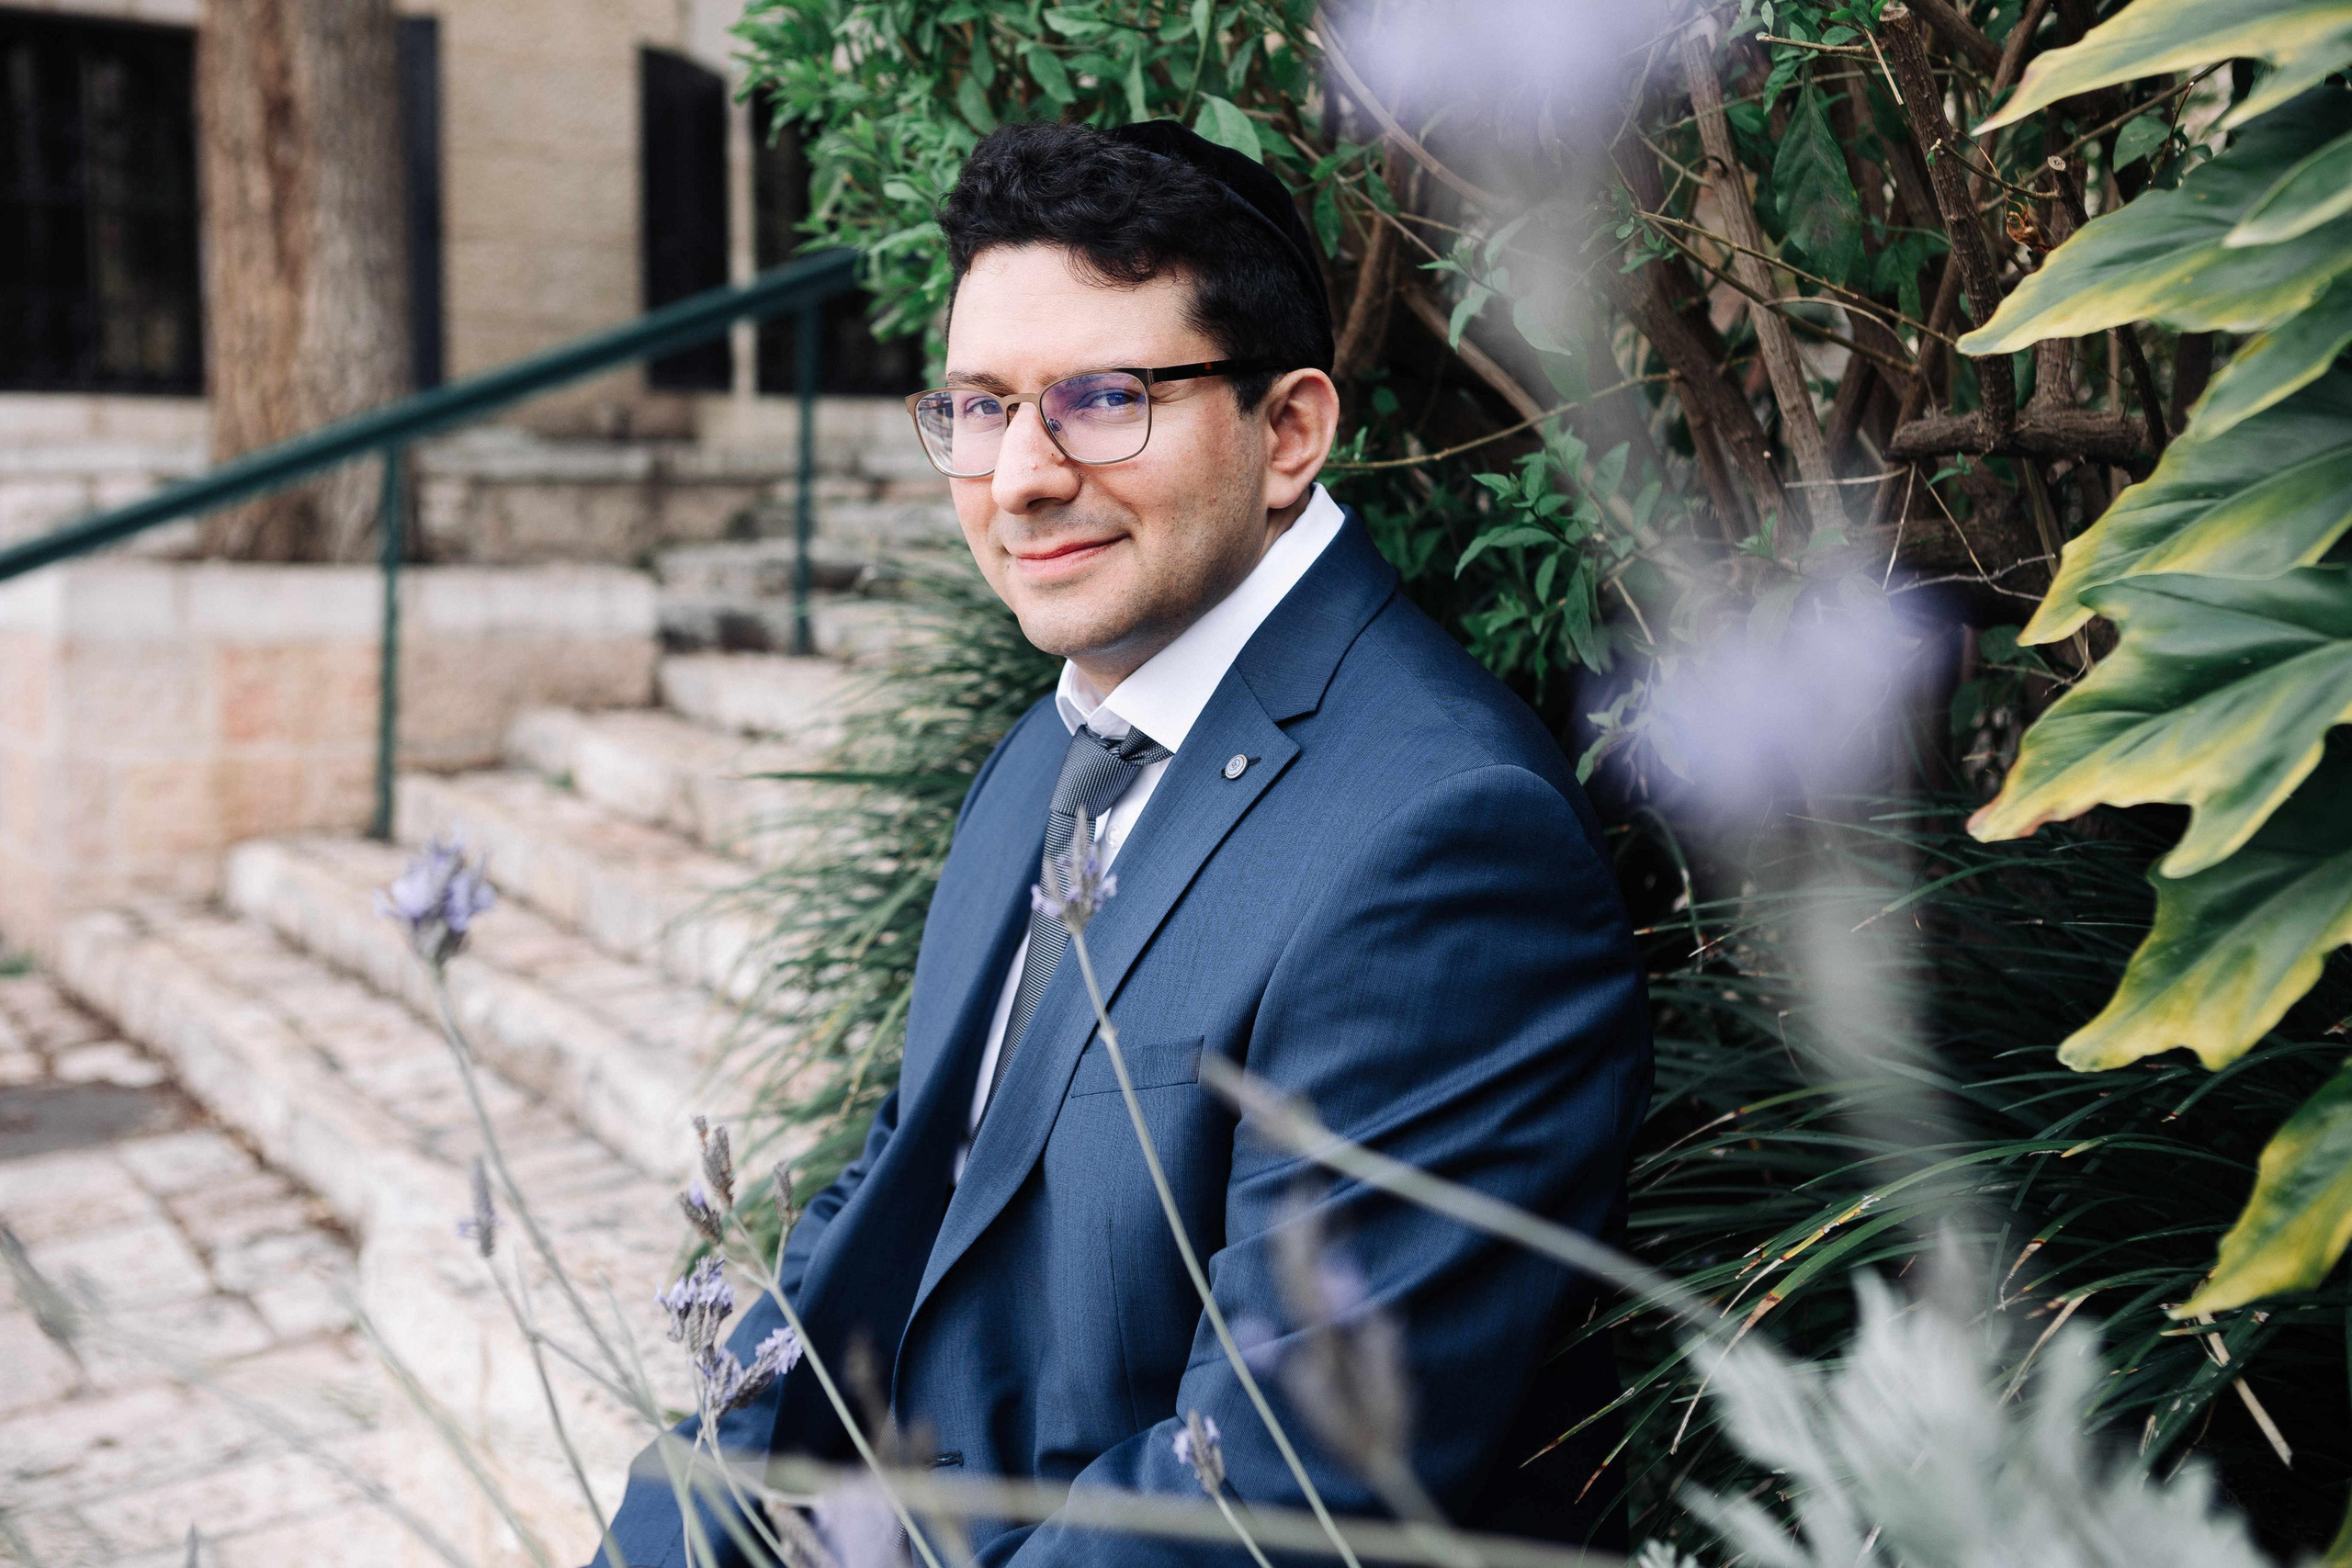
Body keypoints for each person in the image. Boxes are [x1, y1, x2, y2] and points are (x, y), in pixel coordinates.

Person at [594, 118, 1651, 1568]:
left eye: (1101, 400)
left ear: (1287, 433)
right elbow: (913, 1171)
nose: (1017, 476)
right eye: (978, 407)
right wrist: (691, 1508)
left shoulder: (1443, 841)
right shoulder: (1058, 738)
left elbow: (1284, 1477)